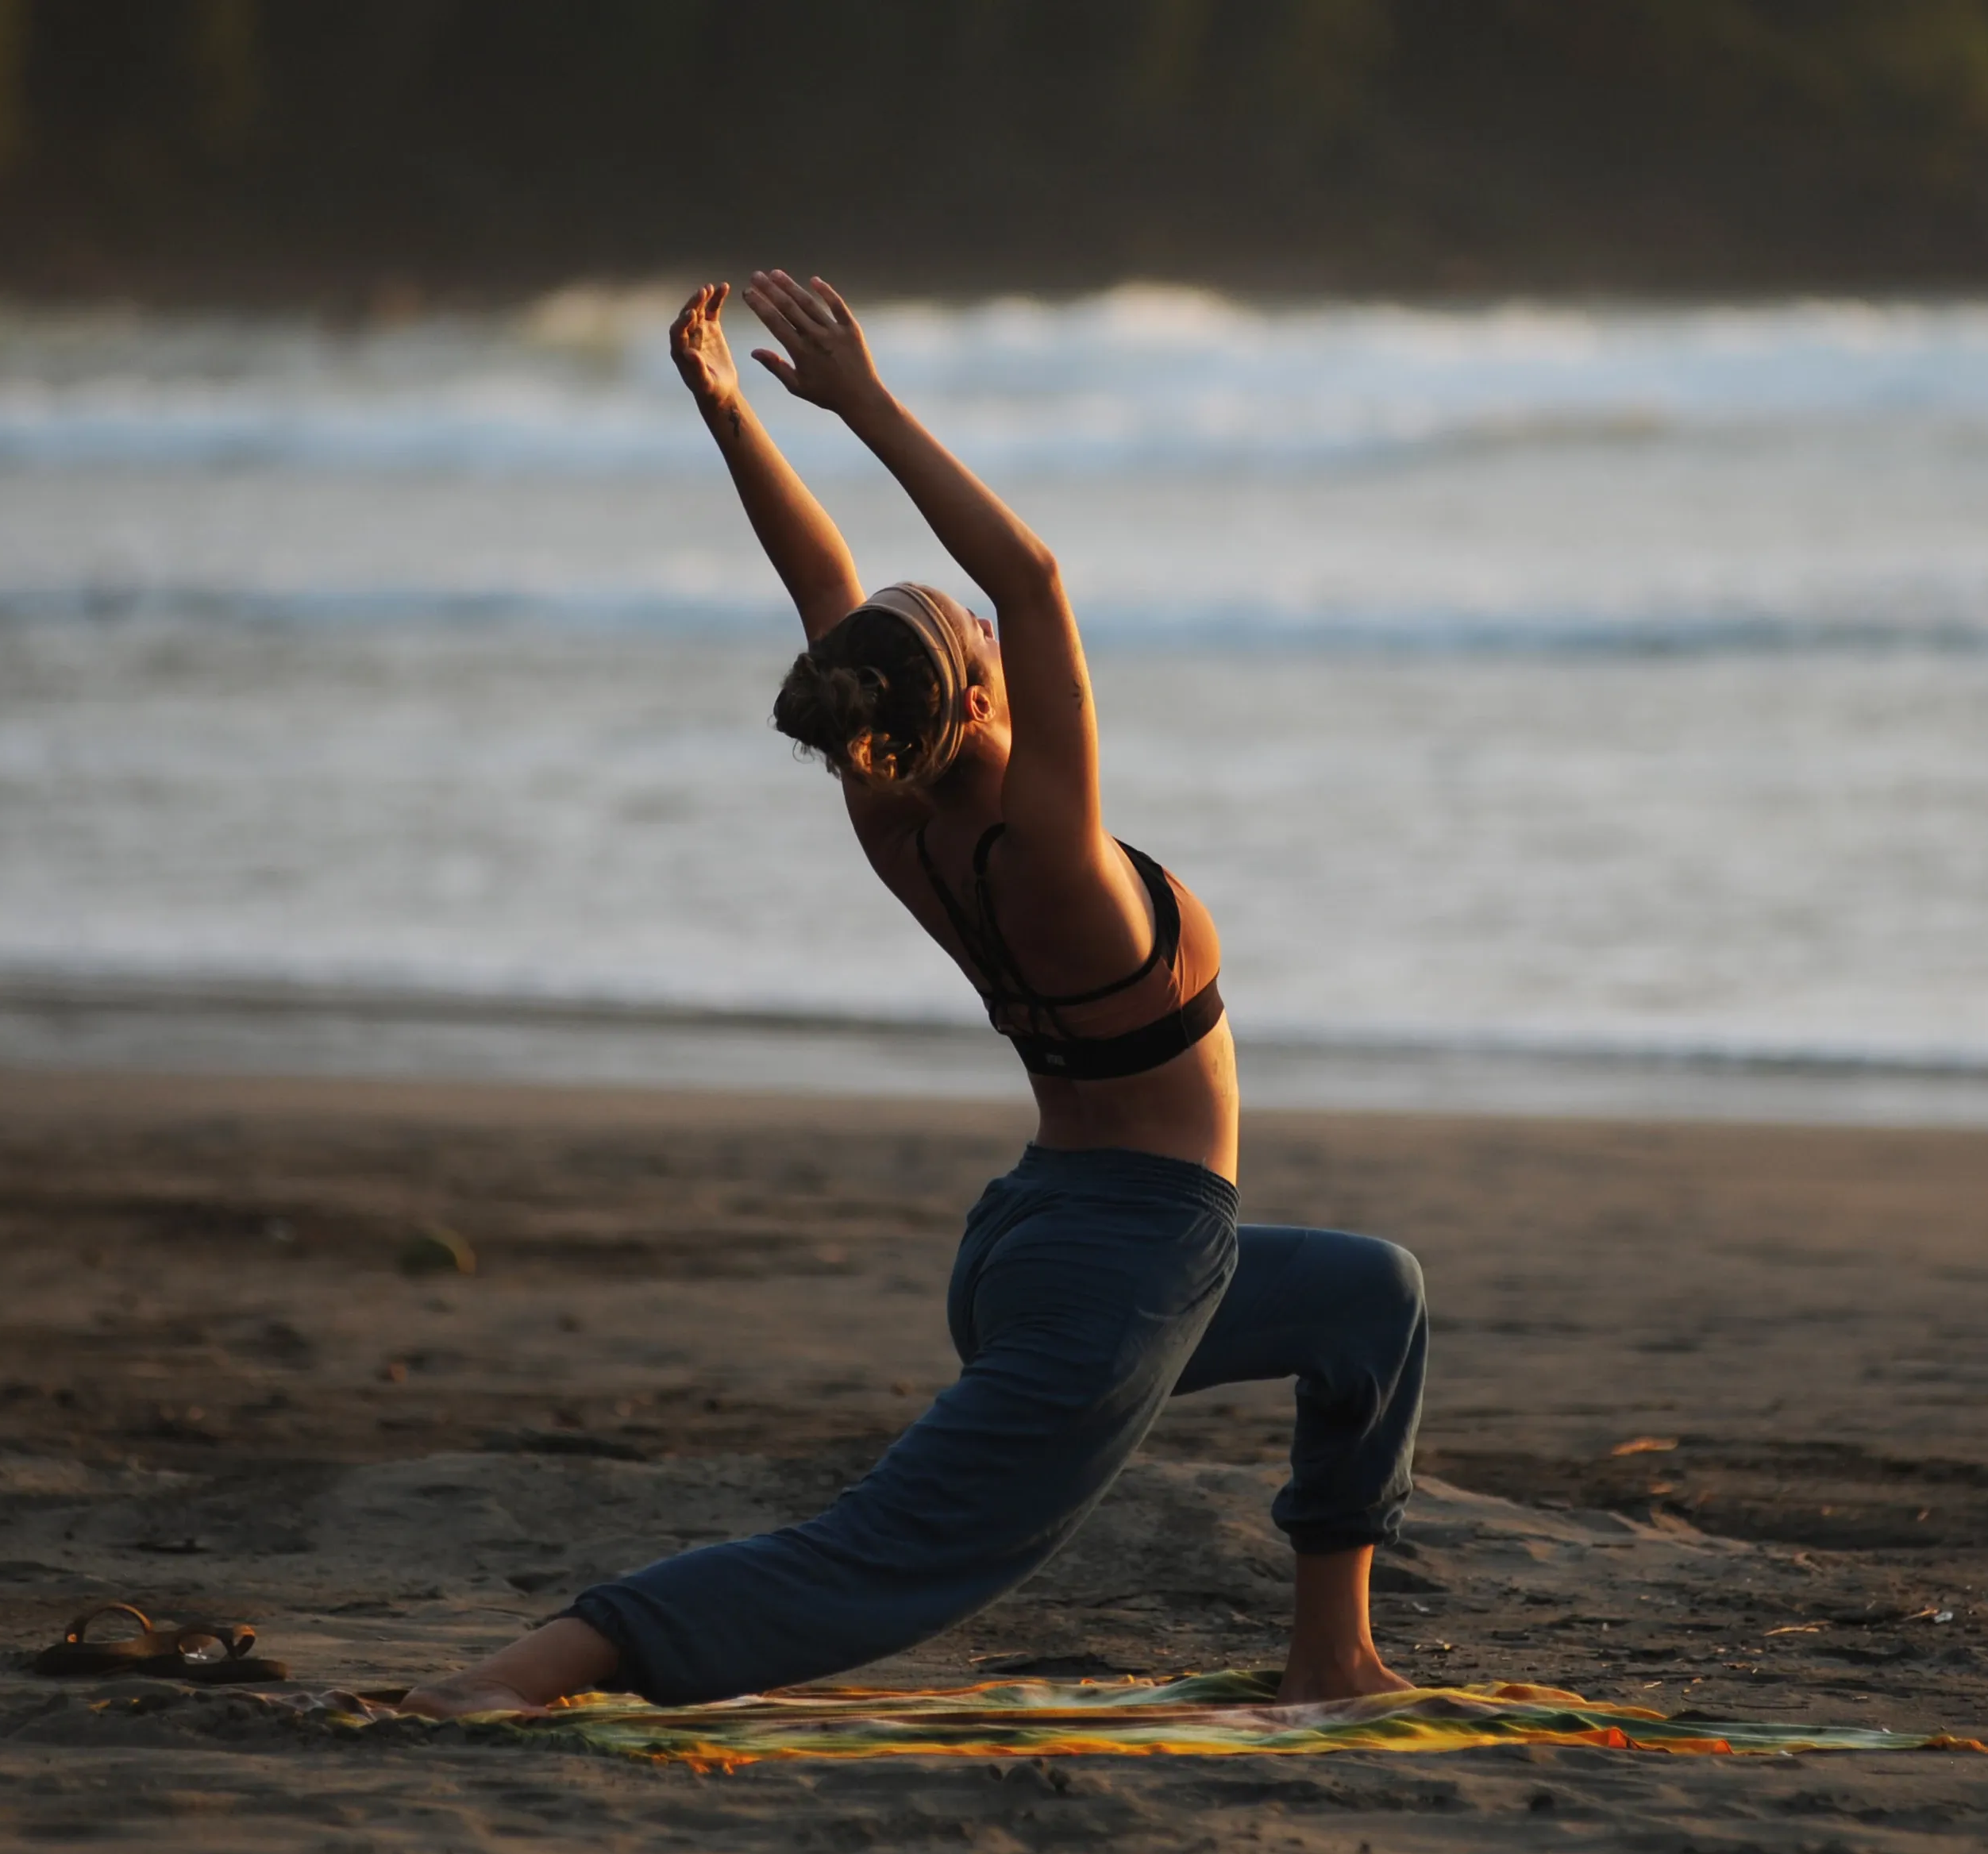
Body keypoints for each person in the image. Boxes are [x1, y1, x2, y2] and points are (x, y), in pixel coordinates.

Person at [403, 274, 1426, 1716]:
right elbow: (1036, 577)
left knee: (1372, 1301)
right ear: (982, 691)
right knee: (883, 1554)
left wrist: (732, 412)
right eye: (966, 627)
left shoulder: (899, 813)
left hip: (1040, 1238)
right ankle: (520, 1674)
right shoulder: (1050, 845)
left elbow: (829, 593)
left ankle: (1332, 1654)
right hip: (1117, 1268)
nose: (987, 625)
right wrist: (866, 405)